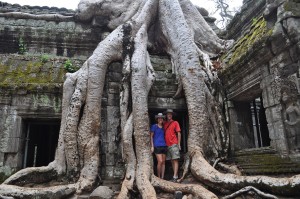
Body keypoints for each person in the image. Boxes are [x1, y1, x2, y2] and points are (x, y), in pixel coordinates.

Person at [163, 109, 181, 182]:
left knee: (175, 160)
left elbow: (179, 133)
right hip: (167, 145)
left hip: (174, 143)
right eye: (168, 114)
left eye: (170, 114)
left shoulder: (175, 123)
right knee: (172, 160)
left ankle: (175, 177)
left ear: (172, 115)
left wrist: (179, 144)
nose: (169, 115)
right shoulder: (165, 124)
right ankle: (175, 175)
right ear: (166, 115)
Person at [150, 113, 167, 179]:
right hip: (157, 146)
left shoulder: (164, 127)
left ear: (163, 119)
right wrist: (152, 146)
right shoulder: (154, 126)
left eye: (161, 118)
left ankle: (162, 177)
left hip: (164, 145)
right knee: (160, 161)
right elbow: (151, 136)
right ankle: (159, 177)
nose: (160, 119)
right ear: (157, 119)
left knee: (163, 162)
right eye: (159, 118)